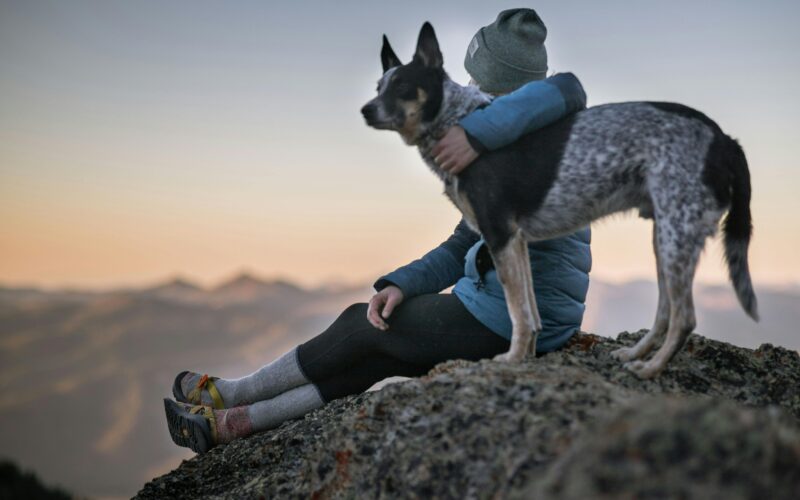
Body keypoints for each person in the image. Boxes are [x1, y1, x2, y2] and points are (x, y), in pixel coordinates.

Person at [164, 8, 591, 453]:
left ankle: (232, 395)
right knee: (374, 352)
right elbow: (463, 241)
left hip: (518, 319)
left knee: (361, 326)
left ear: (503, 87)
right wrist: (402, 284)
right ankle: (229, 425)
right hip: (498, 304)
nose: (468, 88)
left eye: (477, 79)